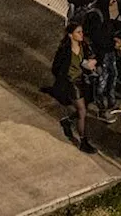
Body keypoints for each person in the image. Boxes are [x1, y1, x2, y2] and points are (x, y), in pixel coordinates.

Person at [49, 22, 98, 153]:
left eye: (81, 32)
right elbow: (55, 68)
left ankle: (68, 121)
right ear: (71, 35)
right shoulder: (65, 50)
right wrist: (63, 79)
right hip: (71, 82)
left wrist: (91, 63)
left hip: (82, 80)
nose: (82, 34)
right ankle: (83, 141)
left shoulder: (83, 45)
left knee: (84, 107)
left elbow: (90, 57)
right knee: (82, 111)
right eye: (78, 32)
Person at [78, 0, 121, 123]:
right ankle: (101, 110)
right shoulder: (95, 15)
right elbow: (98, 38)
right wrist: (112, 44)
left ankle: (111, 102)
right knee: (101, 82)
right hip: (101, 54)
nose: (114, 0)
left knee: (113, 75)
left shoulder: (104, 11)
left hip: (108, 52)